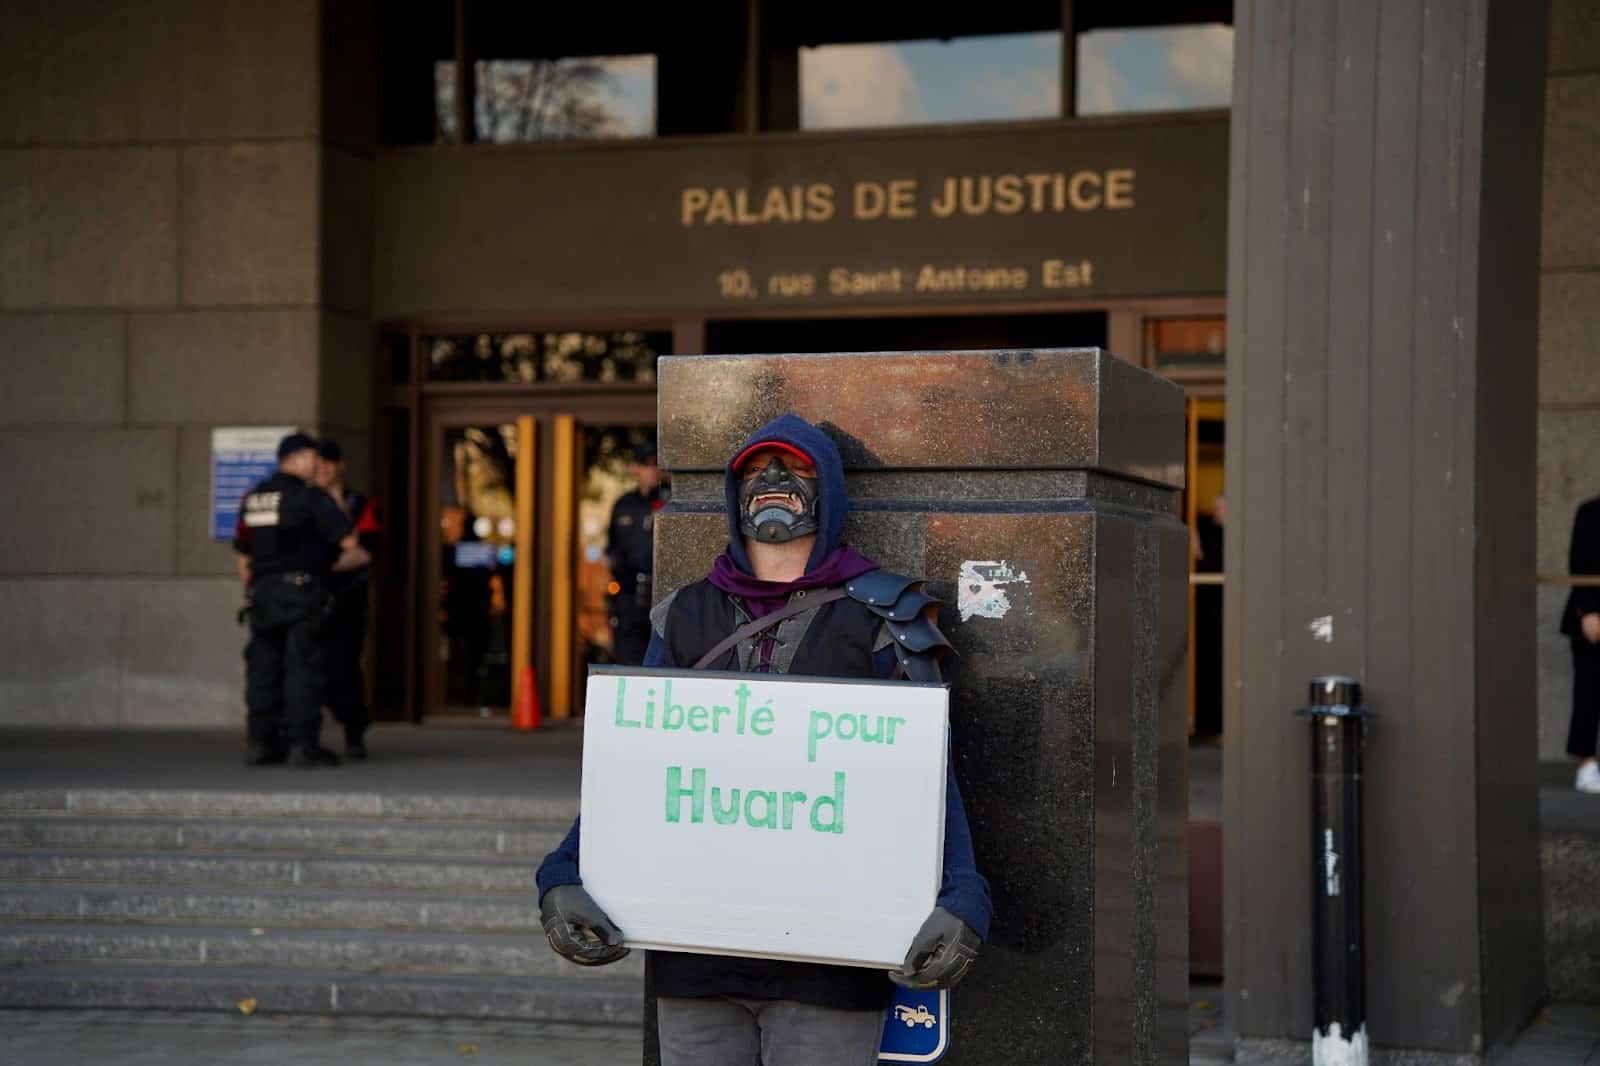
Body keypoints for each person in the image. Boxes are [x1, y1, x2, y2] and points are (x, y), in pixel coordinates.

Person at [536, 414, 992, 1066]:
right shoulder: (684, 613)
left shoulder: (882, 618)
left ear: (827, 489)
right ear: (734, 490)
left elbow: (925, 777)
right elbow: (633, 767)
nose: (773, 482)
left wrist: (962, 894)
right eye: (756, 469)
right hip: (695, 954)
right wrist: (564, 872)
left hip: (833, 957)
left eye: (795, 469)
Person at [233, 432, 356, 768]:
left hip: (263, 593)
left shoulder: (254, 497)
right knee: (303, 667)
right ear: (299, 458)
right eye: (314, 459)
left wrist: (252, 590)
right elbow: (347, 542)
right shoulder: (309, 497)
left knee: (263, 668)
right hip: (302, 591)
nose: (318, 465)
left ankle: (260, 741)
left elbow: (243, 556)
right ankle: (303, 745)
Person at [314, 439, 381, 759]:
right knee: (310, 667)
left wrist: (322, 565)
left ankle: (355, 729)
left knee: (344, 667)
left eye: (329, 461)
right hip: (310, 599)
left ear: (340, 465)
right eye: (318, 461)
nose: (323, 467)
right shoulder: (304, 503)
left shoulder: (359, 505)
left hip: (348, 599)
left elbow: (366, 551)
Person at [605, 439, 668, 665]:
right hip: (630, 598)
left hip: (665, 594)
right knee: (628, 661)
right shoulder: (624, 505)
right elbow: (612, 549)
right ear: (635, 468)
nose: (652, 470)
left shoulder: (671, 501)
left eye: (656, 464)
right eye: (646, 464)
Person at [1563, 495, 1600, 793]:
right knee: (1588, 690)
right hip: (1593, 616)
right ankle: (1586, 764)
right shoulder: (1590, 511)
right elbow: (1579, 562)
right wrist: (1587, 611)